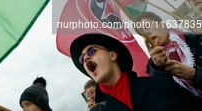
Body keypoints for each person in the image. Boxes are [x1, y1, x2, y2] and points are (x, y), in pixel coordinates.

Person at [70, 33, 202, 110]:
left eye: (91, 51)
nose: (86, 57)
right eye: (82, 58)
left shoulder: (158, 85)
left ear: (112, 56)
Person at [135, 11, 202, 97]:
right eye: (141, 33)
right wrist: (158, 68)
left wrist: (195, 74)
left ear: (163, 24)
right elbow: (164, 96)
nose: (146, 34)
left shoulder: (196, 40)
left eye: (147, 26)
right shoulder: (153, 67)